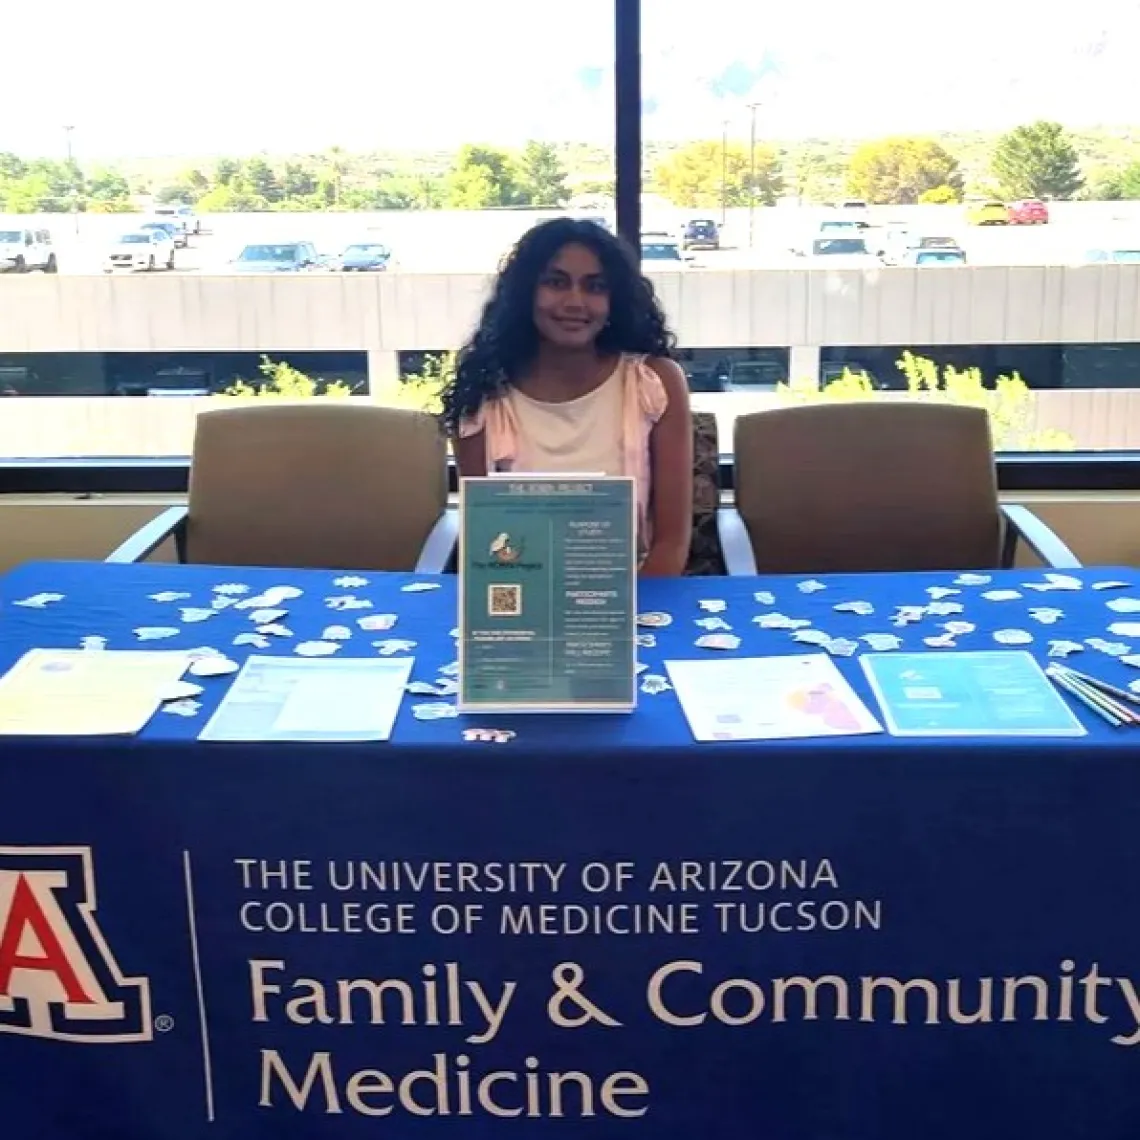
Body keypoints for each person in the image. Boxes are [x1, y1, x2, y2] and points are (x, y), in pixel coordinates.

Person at [443, 217, 693, 576]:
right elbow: (483, 540)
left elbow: (671, 544)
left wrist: (619, 618)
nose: (575, 301)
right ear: (526, 293)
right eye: (556, 283)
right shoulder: (482, 396)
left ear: (614, 301)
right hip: (523, 598)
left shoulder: (653, 383)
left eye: (595, 287)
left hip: (636, 599)